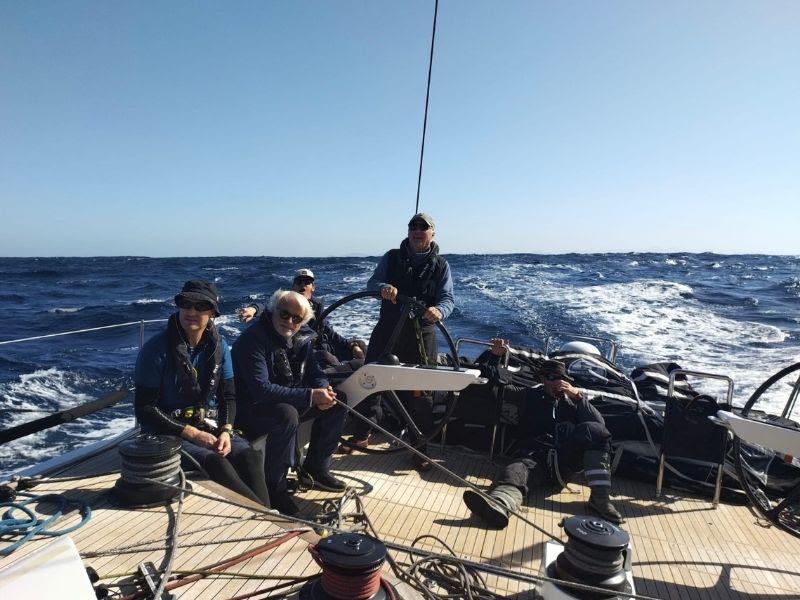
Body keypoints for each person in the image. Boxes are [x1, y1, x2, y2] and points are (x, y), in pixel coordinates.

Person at [134, 280, 271, 506]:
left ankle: (270, 513)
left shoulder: (220, 347)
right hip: (166, 431)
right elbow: (145, 409)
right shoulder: (155, 351)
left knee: (249, 456)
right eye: (185, 303)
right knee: (217, 463)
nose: (191, 311)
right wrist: (193, 434)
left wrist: (226, 431)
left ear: (212, 313)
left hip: (206, 423)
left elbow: (228, 396)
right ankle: (269, 516)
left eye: (201, 306)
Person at [462, 339, 624, 527]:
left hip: (564, 460)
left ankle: (600, 500)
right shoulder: (527, 396)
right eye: (553, 377)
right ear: (543, 379)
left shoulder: (573, 404)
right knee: (515, 471)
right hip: (532, 458)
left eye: (562, 379)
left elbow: (600, 427)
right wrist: (494, 356)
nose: (559, 382)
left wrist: (578, 397)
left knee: (595, 430)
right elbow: (488, 382)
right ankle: (499, 505)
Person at [341, 212, 454, 468]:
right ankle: (360, 437)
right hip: (388, 329)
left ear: (432, 233)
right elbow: (373, 283)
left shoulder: (442, 266)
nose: (417, 230)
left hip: (421, 334)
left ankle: (419, 448)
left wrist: (439, 311)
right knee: (371, 379)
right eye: (413, 226)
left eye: (423, 227)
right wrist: (383, 287)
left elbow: (448, 299)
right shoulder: (391, 257)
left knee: (421, 391)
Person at [232, 289, 347, 515]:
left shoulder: (300, 338)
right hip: (249, 410)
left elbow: (314, 371)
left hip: (286, 399)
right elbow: (261, 390)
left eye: (297, 318)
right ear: (273, 311)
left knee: (338, 401)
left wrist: (324, 388)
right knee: (287, 414)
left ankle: (316, 467)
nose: (290, 322)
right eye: (284, 314)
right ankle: (275, 487)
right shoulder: (253, 340)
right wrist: (311, 396)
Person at [238, 269, 364, 365]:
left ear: (313, 287)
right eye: (299, 281)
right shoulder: (287, 304)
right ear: (293, 286)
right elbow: (268, 307)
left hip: (322, 347)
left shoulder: (317, 307)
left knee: (361, 346)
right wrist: (253, 309)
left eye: (307, 282)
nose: (302, 285)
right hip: (300, 354)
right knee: (326, 356)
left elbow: (329, 333)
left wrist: (352, 345)